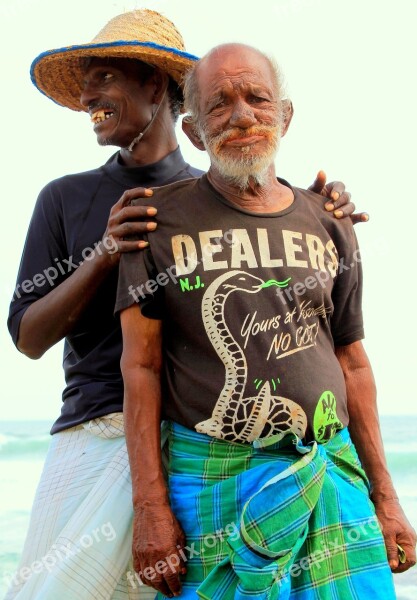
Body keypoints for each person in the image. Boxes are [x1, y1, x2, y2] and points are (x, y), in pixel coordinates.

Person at [8, 9, 360, 600]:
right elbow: (27, 335)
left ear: (153, 84)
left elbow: (283, 291)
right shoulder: (65, 199)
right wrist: (103, 254)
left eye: (104, 77)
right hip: (94, 433)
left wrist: (327, 210)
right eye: (87, 80)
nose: (89, 96)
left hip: (195, 446)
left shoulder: (213, 194)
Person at [116, 42, 416, 599]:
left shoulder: (329, 221)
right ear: (193, 131)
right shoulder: (154, 223)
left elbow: (352, 362)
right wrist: (151, 508)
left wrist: (387, 497)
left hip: (330, 473)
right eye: (219, 105)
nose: (242, 115)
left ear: (286, 115)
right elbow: (140, 367)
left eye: (257, 97)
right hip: (215, 481)